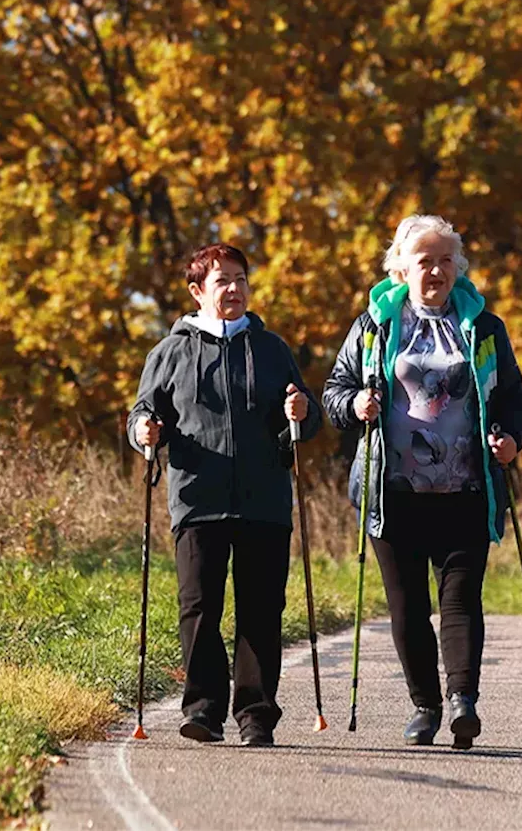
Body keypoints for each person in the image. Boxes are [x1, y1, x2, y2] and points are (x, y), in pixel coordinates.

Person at [322, 215, 522, 749]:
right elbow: (335, 392)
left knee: (461, 599)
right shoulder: (375, 326)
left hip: (467, 487)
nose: (435, 270)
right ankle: (425, 706)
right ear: (401, 267)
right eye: (424, 261)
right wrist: (355, 404)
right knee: (408, 606)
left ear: (457, 267)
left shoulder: (485, 328)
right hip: (395, 492)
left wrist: (510, 439)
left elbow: (511, 397)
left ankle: (463, 701)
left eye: (445, 260)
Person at [128, 243, 323, 747]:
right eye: (222, 281)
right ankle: (203, 710)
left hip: (264, 500)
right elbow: (142, 414)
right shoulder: (169, 353)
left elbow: (307, 418)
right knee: (198, 606)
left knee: (260, 609)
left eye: (240, 279)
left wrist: (301, 412)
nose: (234, 289)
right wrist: (145, 432)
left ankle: (256, 715)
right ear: (197, 292)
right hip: (197, 496)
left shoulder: (272, 349)